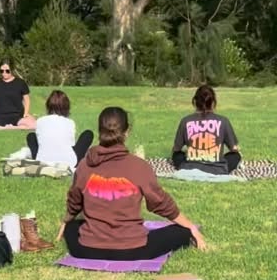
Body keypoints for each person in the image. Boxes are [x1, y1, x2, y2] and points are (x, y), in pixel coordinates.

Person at [57, 106, 207, 260]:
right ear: (126, 132)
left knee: (73, 227)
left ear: (99, 131)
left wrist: (66, 221)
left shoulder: (85, 165)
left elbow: (74, 201)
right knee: (182, 232)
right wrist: (189, 226)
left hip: (86, 249)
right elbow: (161, 203)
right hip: (132, 250)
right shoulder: (139, 167)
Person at [171, 85, 241, 175]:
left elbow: (176, 148)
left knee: (177, 155)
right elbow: (234, 148)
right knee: (236, 156)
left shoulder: (186, 121)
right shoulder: (223, 121)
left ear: (195, 102)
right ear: (213, 102)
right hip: (217, 168)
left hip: (190, 167)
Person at [25, 90, 93, 168]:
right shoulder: (70, 122)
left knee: (31, 136)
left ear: (48, 106)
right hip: (69, 162)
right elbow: (71, 145)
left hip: (42, 162)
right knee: (88, 134)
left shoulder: (40, 121)